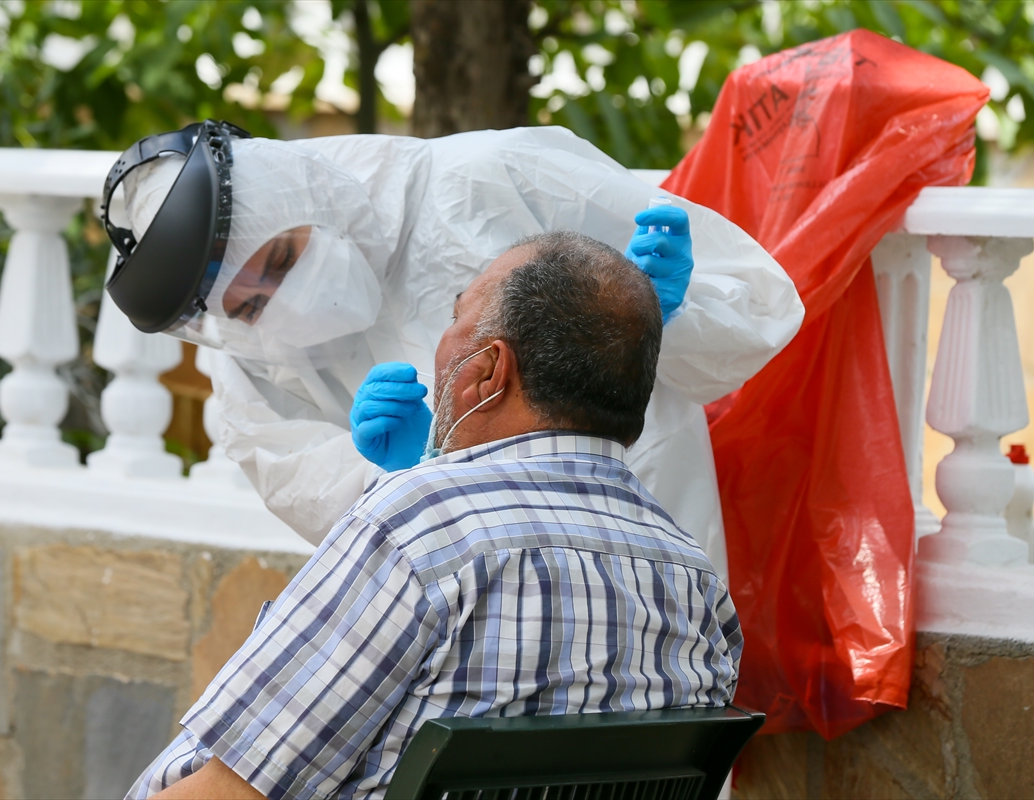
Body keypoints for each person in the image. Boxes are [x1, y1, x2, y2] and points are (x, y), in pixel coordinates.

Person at [127, 232, 743, 800]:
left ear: (486, 373)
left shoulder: (420, 525)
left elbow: (235, 789)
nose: (439, 347)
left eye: (455, 320)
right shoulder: (697, 581)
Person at [122, 126, 804, 574]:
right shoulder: (252, 353)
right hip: (474, 618)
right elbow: (318, 497)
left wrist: (663, 312)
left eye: (282, 255)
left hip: (642, 550)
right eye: (251, 304)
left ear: (305, 193)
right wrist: (409, 477)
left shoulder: (489, 178)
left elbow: (756, 311)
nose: (289, 297)